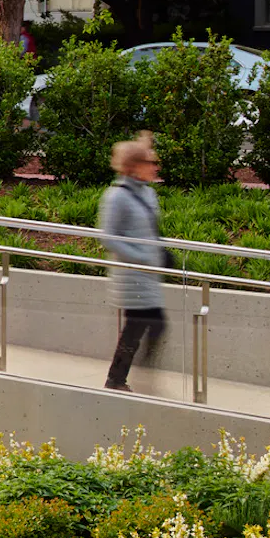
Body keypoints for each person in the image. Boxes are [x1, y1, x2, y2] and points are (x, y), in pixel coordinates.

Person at [101, 133, 168, 392]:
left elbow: (149, 230)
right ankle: (119, 379)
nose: (155, 167)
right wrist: (139, 257)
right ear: (134, 166)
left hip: (148, 275)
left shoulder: (149, 194)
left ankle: (120, 378)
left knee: (142, 326)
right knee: (144, 325)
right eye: (150, 163)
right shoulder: (116, 196)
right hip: (131, 276)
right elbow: (107, 237)